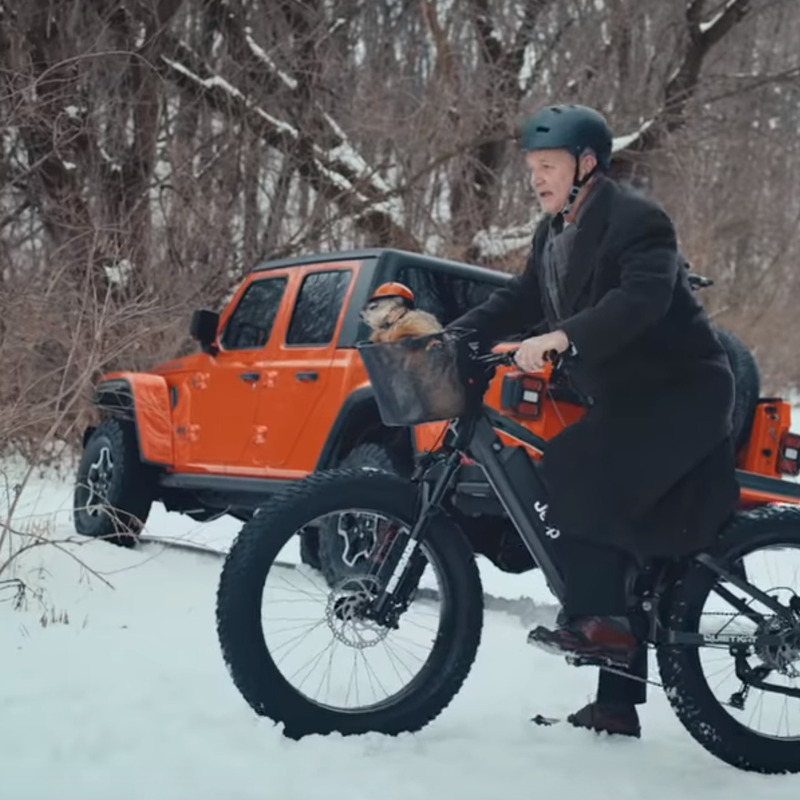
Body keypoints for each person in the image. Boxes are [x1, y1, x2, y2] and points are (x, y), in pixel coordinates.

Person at [447, 103, 739, 738]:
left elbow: (641, 299)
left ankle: (602, 625)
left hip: (682, 393)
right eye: (531, 167)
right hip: (630, 400)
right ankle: (616, 705)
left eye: (548, 166)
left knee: (574, 464)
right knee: (618, 526)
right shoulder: (552, 233)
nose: (536, 178)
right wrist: (454, 336)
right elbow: (520, 298)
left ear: (585, 164)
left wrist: (562, 337)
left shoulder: (637, 219)